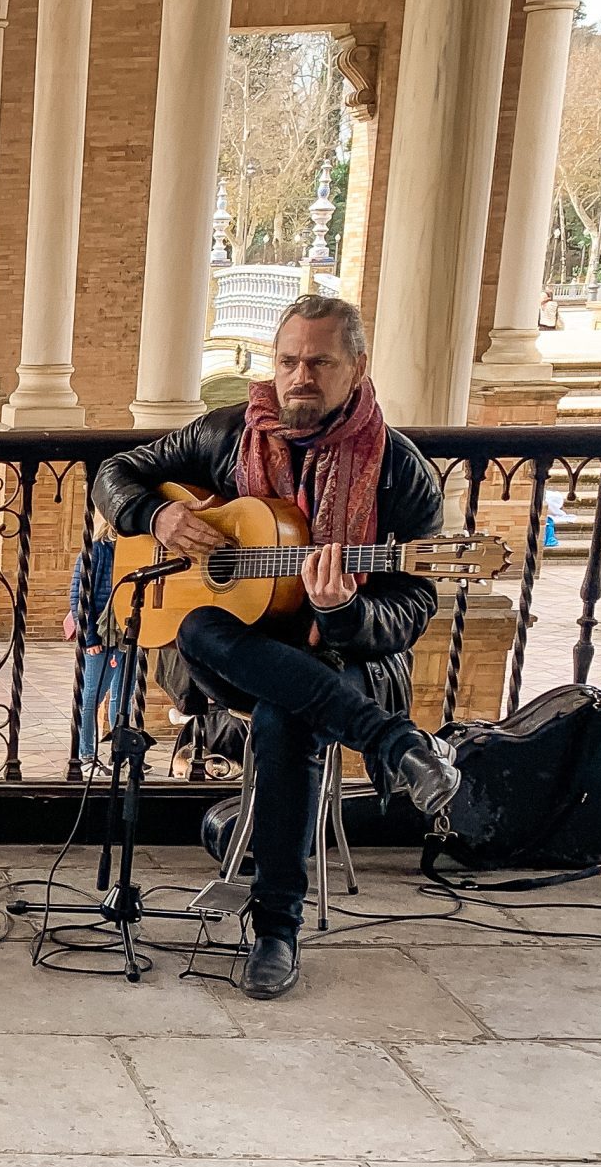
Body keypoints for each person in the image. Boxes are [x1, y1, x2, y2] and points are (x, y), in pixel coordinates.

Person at [91, 293, 462, 1001]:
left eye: (320, 362)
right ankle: (396, 744)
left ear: (357, 366)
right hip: (232, 650)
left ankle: (275, 930)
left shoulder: (399, 468)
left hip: (342, 660)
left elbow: (413, 605)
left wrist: (345, 609)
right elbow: (116, 474)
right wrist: (160, 514)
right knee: (198, 626)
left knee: (286, 715)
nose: (300, 377)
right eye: (289, 361)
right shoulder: (230, 433)